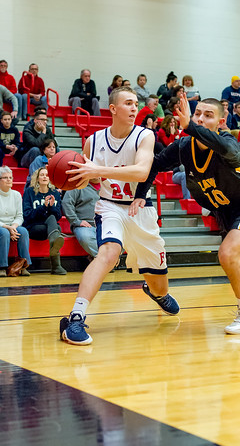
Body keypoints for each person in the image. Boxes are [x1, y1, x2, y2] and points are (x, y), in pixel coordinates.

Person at [134, 93, 240, 334]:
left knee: (227, 255)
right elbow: (154, 164)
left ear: (221, 121)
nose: (201, 119)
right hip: (224, 212)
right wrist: (141, 193)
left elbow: (224, 147)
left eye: (208, 116)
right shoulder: (184, 147)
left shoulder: (229, 144)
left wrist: (190, 126)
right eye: (197, 114)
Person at [59, 86, 179, 345]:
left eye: (136, 103)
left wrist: (97, 169)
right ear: (113, 108)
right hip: (110, 206)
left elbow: (141, 172)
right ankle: (76, 317)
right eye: (128, 103)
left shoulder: (144, 135)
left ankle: (156, 292)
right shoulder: (93, 141)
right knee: (108, 253)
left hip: (141, 210)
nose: (134, 108)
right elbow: (85, 178)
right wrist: (71, 179)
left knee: (160, 284)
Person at [23, 167, 66, 275]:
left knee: (53, 220)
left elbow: (57, 216)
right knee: (56, 229)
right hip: (34, 227)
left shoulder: (55, 193)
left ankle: (54, 244)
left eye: (47, 175)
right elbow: (27, 215)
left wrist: (51, 207)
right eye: (42, 175)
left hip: (48, 227)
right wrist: (43, 207)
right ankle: (56, 266)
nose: (44, 177)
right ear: (37, 179)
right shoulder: (29, 192)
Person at [0, 166, 31, 277]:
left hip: (12, 225)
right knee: (3, 233)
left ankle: (24, 266)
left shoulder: (16, 195)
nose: (9, 180)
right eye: (5, 177)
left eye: (10, 177)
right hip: (1, 226)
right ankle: (2, 267)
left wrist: (13, 226)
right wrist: (7, 228)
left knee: (23, 231)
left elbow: (19, 216)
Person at [62, 181, 100, 258]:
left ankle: (100, 260)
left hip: (106, 224)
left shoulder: (108, 186)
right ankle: (106, 261)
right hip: (85, 225)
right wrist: (76, 221)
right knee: (86, 237)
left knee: (123, 236)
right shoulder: (78, 186)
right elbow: (66, 203)